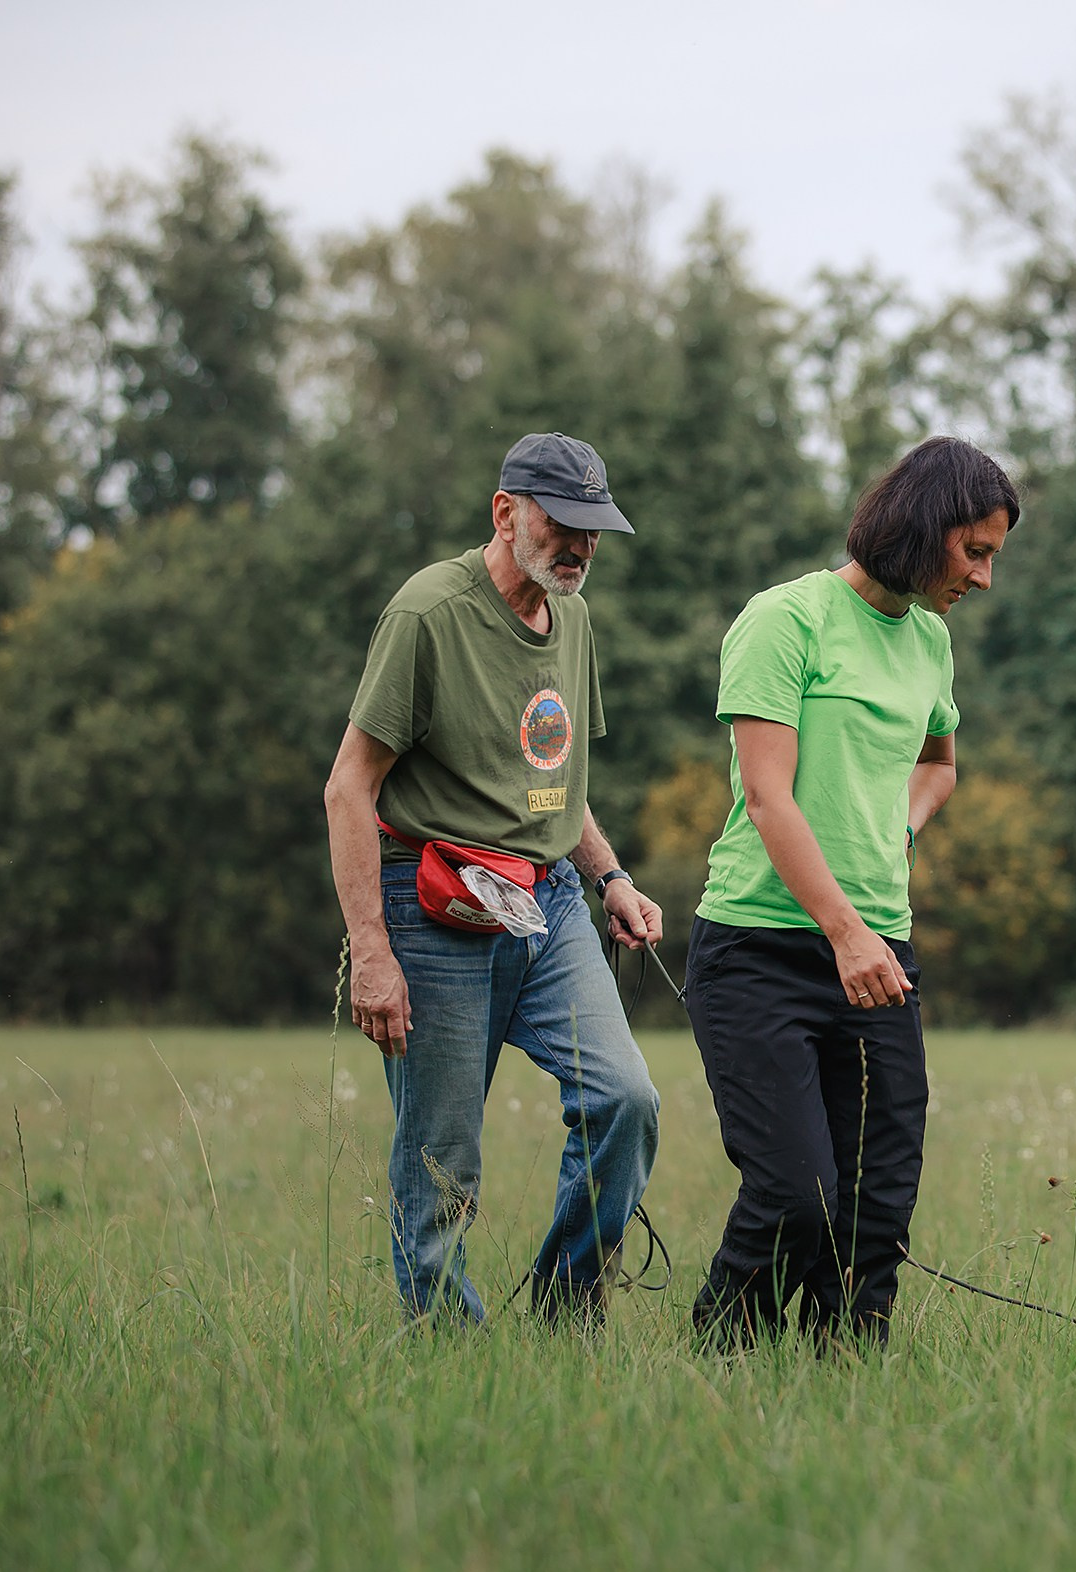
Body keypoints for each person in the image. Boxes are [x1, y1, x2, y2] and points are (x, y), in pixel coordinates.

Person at [322, 431, 665, 1328]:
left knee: (625, 1100)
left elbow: (552, 784)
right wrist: (372, 953)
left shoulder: (575, 616)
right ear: (505, 512)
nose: (580, 548)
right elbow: (348, 786)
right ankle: (448, 1350)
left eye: (594, 531)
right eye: (563, 524)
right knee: (441, 1161)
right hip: (433, 903)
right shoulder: (428, 615)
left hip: (547, 901)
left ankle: (562, 1312)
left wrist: (611, 875)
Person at [684, 436, 1020, 1348]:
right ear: (923, 525)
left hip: (878, 954)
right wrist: (845, 930)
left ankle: (844, 1378)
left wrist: (894, 831)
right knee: (797, 1195)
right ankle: (718, 1359)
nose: (984, 578)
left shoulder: (930, 644)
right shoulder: (784, 620)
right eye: (975, 552)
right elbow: (768, 795)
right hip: (760, 948)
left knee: (877, 1208)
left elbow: (941, 764)